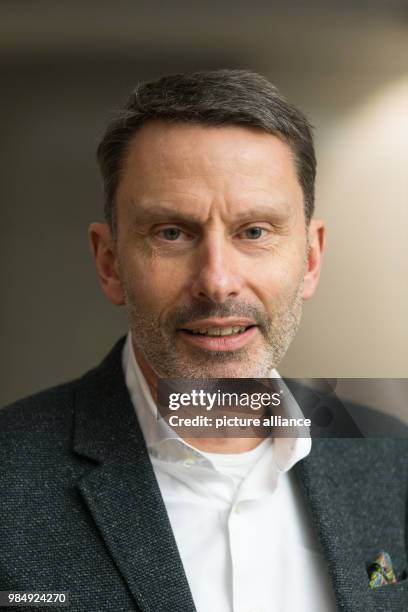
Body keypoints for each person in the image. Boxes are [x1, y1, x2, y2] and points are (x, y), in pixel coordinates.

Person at [1, 69, 407, 612]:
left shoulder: (392, 460)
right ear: (109, 263)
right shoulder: (11, 477)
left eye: (255, 232)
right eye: (172, 233)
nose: (217, 281)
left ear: (310, 259)